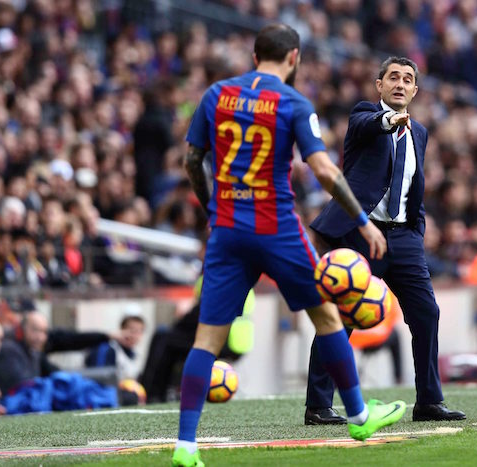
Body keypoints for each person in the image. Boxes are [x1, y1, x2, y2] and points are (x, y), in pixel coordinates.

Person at [173, 24, 405, 467]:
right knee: (326, 316)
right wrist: (362, 221)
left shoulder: (216, 94)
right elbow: (323, 170)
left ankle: (186, 446)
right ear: (294, 57)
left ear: (255, 54)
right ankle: (358, 414)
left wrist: (212, 210)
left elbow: (190, 160)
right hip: (276, 226)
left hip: (227, 230)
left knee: (206, 340)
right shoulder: (294, 102)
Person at [305, 56, 465, 424]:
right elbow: (368, 124)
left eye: (407, 79)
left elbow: (414, 189)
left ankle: (428, 401)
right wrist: (388, 120)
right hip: (361, 233)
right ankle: (318, 405)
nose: (400, 84)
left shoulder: (420, 133)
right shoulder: (364, 115)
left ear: (415, 90)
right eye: (393, 77)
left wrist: (416, 231)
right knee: (340, 316)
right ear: (379, 85)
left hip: (403, 236)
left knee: (426, 313)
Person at [85, 314, 146, 381]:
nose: (135, 336)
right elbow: (99, 379)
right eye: (132, 331)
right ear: (122, 330)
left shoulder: (135, 355)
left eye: (139, 332)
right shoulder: (107, 350)